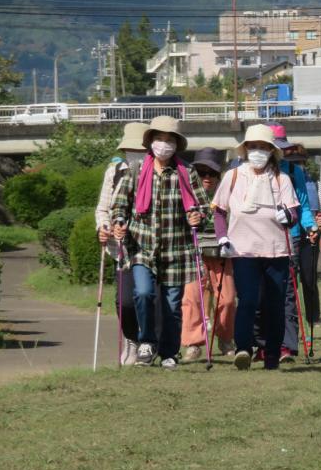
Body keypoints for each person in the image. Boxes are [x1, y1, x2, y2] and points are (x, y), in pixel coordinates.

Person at [111, 116, 210, 370]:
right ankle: (146, 342)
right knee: (143, 293)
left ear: (176, 144)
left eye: (169, 140)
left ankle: (169, 352)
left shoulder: (186, 172)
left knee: (172, 306)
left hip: (176, 249)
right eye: (159, 139)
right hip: (141, 246)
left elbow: (203, 208)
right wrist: (120, 221)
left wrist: (198, 216)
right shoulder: (136, 170)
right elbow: (120, 203)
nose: (163, 144)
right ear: (150, 141)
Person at [212, 124, 300, 370]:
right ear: (246, 149)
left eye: (263, 147)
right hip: (243, 250)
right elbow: (219, 211)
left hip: (276, 249)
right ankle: (243, 349)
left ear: (272, 151)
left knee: (274, 304)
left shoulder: (282, 178)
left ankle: (272, 354)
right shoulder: (234, 176)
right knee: (248, 300)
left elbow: (293, 211)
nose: (258, 151)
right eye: (254, 147)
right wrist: (222, 238)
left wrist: (288, 216)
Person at [252, 123, 317, 363]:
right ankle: (260, 344)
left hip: (291, 236)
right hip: (257, 237)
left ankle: (287, 346)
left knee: (287, 291)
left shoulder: (294, 170)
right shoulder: (251, 170)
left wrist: (310, 226)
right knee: (259, 291)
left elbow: (304, 204)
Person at [95, 122, 149, 366]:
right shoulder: (115, 170)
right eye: (131, 150)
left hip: (149, 247)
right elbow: (103, 208)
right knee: (124, 301)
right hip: (122, 248)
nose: (135, 154)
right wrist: (103, 227)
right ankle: (131, 339)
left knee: (147, 296)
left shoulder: (156, 170)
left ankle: (150, 342)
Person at [180, 147, 237, 363]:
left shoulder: (228, 193)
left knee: (228, 299)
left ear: (219, 175)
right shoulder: (186, 192)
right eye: (202, 172)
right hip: (194, 251)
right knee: (193, 298)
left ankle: (225, 338)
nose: (207, 178)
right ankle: (193, 345)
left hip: (223, 254)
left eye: (212, 173)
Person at [284, 143, 321, 327]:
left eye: (300, 161)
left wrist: (320, 220)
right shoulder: (281, 180)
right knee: (291, 278)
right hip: (291, 233)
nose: (297, 165)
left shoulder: (313, 182)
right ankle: (293, 316)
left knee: (309, 278)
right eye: (293, 161)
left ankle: (313, 316)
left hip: (310, 235)